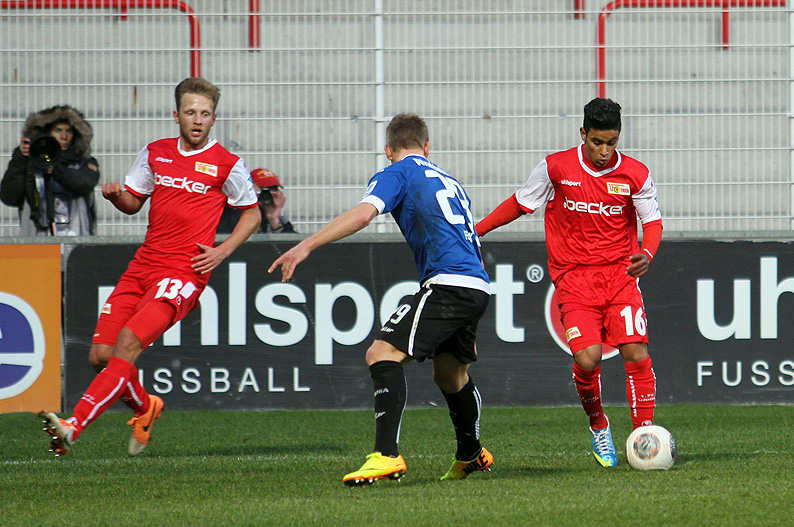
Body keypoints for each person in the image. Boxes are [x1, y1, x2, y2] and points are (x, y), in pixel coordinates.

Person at [38, 78, 261, 457]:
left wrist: (222, 251)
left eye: (205, 114)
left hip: (183, 273)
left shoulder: (227, 164)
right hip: (143, 264)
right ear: (176, 115)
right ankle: (145, 407)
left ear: (214, 119)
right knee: (101, 357)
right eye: (190, 112)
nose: (197, 120)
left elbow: (251, 214)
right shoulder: (155, 152)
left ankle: (73, 425)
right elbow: (133, 202)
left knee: (128, 343)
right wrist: (116, 197)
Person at [269, 113, 493, 486]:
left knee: (381, 353)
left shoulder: (397, 172)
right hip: (476, 284)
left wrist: (307, 244)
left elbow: (363, 215)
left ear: (388, 150)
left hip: (447, 284)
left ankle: (386, 456)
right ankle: (471, 454)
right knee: (450, 375)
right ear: (427, 146)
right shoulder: (451, 182)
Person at [476, 98, 663, 468]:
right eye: (597, 142)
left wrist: (647, 253)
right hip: (574, 279)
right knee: (587, 358)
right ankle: (599, 425)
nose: (604, 151)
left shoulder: (636, 174)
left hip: (620, 277)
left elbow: (653, 221)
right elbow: (520, 203)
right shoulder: (556, 168)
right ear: (583, 134)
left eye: (611, 142)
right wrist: (476, 231)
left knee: (636, 352)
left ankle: (644, 437)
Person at [1, 105, 100, 236]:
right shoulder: (30, 165)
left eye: (69, 131)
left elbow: (84, 183)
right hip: (37, 240)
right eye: (58, 130)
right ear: (46, 133)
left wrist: (54, 167)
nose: (64, 136)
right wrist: (20, 159)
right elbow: (9, 197)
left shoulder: (84, 162)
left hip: (77, 239)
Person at [217, 168, 296, 234]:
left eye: (273, 189)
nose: (267, 194)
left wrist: (274, 220)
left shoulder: (281, 221)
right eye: (262, 189)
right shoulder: (228, 213)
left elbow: (292, 243)